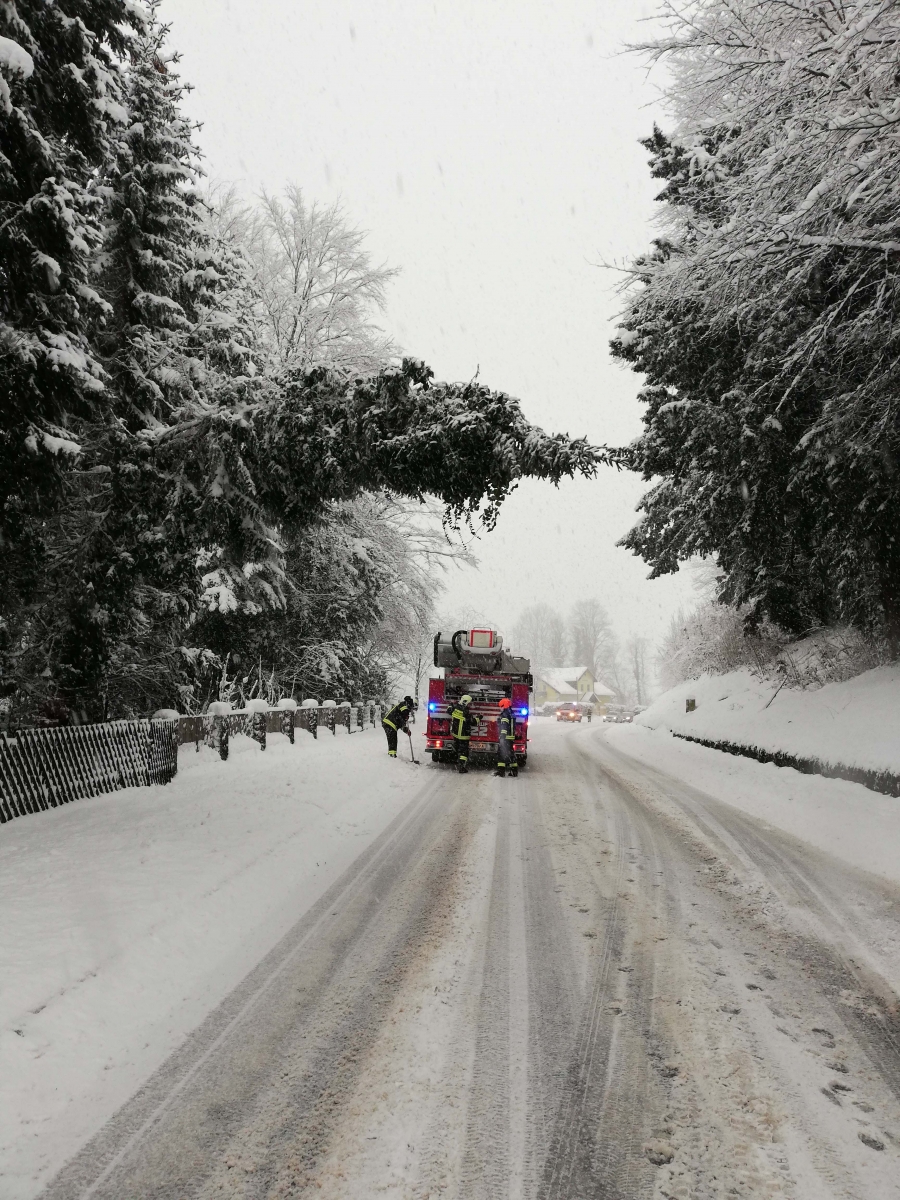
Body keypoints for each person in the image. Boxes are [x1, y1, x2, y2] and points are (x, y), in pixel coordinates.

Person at [449, 694, 475, 773]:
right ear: (465, 702)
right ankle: (461, 767)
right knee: (464, 752)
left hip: (456, 734)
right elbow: (473, 722)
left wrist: (451, 704)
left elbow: (449, 710)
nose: (470, 705)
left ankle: (455, 760)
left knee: (457, 748)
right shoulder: (466, 712)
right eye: (469, 703)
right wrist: (479, 717)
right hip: (464, 735)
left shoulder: (455, 708)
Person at [495, 697, 518, 777]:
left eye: (501, 706)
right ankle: (514, 771)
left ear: (504, 705)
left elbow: (504, 727)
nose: (500, 708)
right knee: (511, 754)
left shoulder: (505, 715)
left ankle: (501, 772)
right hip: (510, 737)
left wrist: (502, 737)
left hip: (505, 738)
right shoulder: (511, 713)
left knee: (501, 754)